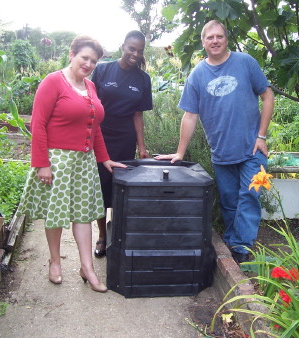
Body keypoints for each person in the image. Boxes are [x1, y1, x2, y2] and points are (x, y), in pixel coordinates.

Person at [155, 20, 274, 264]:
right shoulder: (197, 74)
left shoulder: (245, 62)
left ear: (226, 39)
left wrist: (261, 135)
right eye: (210, 37)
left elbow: (268, 95)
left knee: (251, 196)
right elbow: (189, 116)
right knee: (229, 202)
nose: (215, 41)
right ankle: (232, 244)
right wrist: (179, 153)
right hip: (221, 154)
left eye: (219, 36)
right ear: (203, 42)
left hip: (254, 151)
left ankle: (241, 249)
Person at [17, 35, 126, 292]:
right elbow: (38, 124)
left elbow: (95, 128)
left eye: (94, 61)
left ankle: (87, 268)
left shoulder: (90, 87)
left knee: (83, 215)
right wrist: (42, 163)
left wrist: (104, 159)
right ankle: (55, 261)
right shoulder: (53, 82)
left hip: (84, 162)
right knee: (55, 214)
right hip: (57, 160)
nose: (88, 64)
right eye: (84, 58)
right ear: (72, 54)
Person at [91, 30, 153, 258]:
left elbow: (138, 115)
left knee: (120, 189)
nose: (135, 54)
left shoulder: (143, 79)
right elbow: (91, 105)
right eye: (131, 48)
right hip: (100, 137)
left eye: (139, 50)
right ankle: (101, 236)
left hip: (125, 140)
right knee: (100, 189)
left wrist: (142, 147)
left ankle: (116, 234)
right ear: (123, 46)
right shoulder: (103, 70)